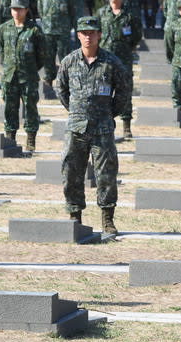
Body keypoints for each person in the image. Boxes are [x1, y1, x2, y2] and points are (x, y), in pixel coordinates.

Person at [56, 16, 130, 234]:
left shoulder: (111, 62)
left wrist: (109, 113)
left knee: (106, 175)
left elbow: (123, 91)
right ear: (78, 35)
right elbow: (61, 90)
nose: (88, 36)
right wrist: (76, 112)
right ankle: (75, 215)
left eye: (92, 32)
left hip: (103, 128)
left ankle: (107, 218)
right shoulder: (69, 61)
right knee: (71, 171)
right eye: (84, 33)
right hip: (76, 128)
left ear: (99, 34)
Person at [0, 0, 45, 151]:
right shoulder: (4, 28)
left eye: (19, 9)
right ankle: (10, 139)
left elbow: (42, 55)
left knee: (30, 108)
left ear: (26, 10)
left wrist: (30, 68)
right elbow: (2, 51)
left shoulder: (34, 30)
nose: (16, 12)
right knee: (10, 108)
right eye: (14, 9)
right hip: (9, 77)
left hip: (28, 77)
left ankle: (31, 141)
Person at [98, 0, 142, 139]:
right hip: (104, 61)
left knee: (125, 92)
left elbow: (137, 35)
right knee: (103, 92)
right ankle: (105, 124)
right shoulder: (102, 13)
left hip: (124, 59)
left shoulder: (129, 15)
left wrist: (128, 47)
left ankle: (126, 125)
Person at [37, 0, 77, 88]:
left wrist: (70, 26)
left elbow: (72, 11)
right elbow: (40, 10)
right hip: (48, 31)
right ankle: (48, 81)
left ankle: (66, 83)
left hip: (63, 31)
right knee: (48, 58)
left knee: (65, 58)